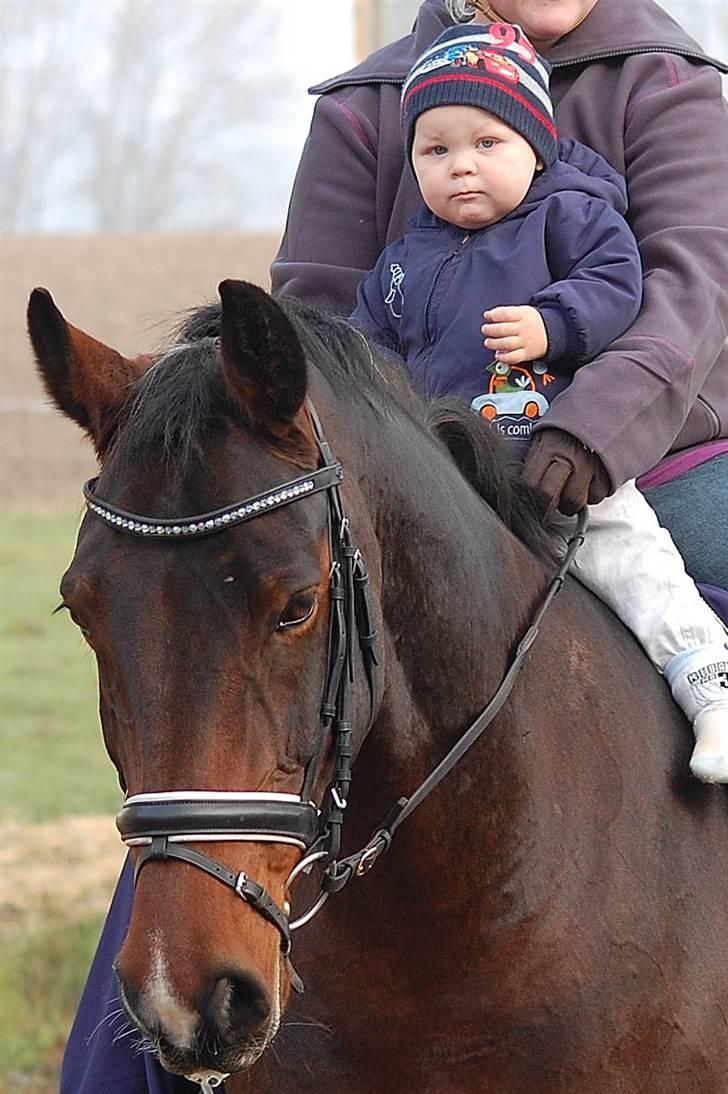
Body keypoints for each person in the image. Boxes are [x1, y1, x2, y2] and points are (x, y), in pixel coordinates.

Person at [349, 19, 728, 783]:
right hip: (451, 479)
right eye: (437, 150)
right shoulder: (399, 266)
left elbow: (624, 286)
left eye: (487, 144)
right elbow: (361, 351)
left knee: (633, 559)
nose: (462, 168)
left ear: (535, 145)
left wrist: (553, 324)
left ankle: (707, 685)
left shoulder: (572, 216)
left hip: (558, 460)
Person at [271, 0, 728, 603]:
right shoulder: (362, 105)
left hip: (661, 464)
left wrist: (591, 429)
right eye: (437, 151)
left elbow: (694, 286)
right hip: (416, 483)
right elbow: (320, 331)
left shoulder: (663, 78)